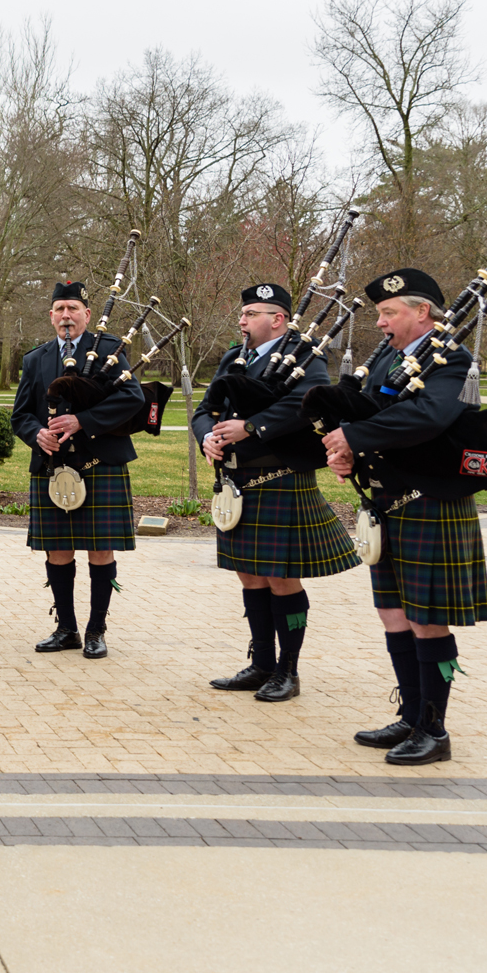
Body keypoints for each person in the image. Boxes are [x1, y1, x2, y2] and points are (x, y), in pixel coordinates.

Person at [323, 268, 487, 766]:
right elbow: (367, 416)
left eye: (388, 312)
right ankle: (412, 714)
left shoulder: (453, 363)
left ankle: (434, 731)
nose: (379, 322)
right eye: (378, 313)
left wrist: (357, 438)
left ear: (422, 313)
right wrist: (345, 451)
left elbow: (429, 418)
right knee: (393, 614)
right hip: (386, 503)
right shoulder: (388, 364)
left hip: (432, 504)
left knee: (427, 620)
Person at [192, 283, 359, 703]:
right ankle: (262, 663)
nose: (242, 320)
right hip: (237, 482)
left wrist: (250, 426)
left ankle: (289, 671)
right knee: (249, 574)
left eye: (250, 314)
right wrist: (206, 439)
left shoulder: (307, 357)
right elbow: (204, 411)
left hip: (280, 479)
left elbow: (306, 400)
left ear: (278, 319)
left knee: (281, 577)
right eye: (243, 313)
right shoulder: (235, 357)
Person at [10, 281, 146, 660]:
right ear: (51, 316)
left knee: (100, 550)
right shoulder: (35, 359)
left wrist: (82, 421)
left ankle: (96, 630)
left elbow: (133, 398)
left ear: (87, 314)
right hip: (53, 466)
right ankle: (66, 628)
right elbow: (20, 414)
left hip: (99, 462)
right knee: (57, 550)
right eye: (60, 309)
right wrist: (37, 434)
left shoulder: (110, 349)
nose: (66, 315)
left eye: (73, 308)